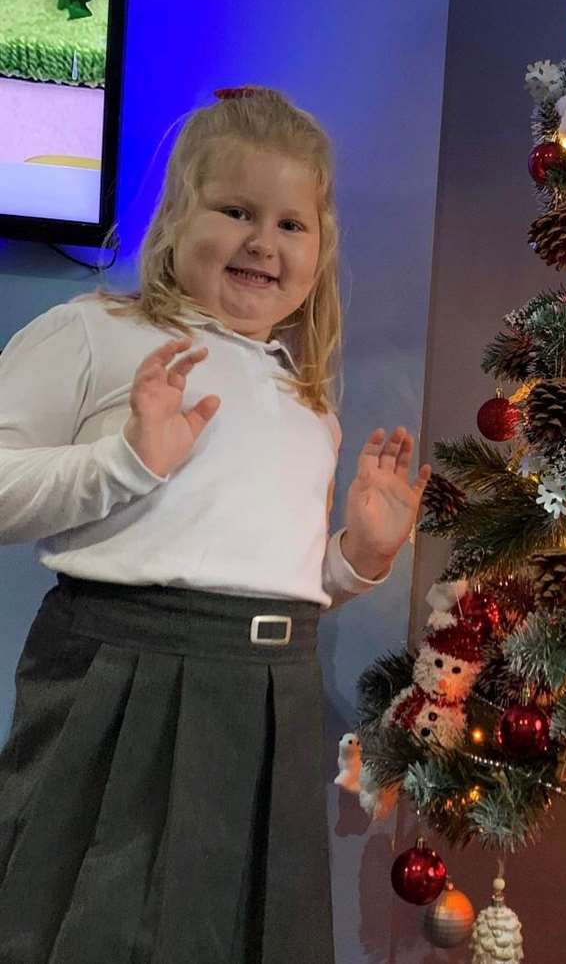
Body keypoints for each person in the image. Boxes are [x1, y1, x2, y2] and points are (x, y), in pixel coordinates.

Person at [0, 86, 430, 963]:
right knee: (89, 927)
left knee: (249, 935)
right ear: (173, 220)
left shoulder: (304, 400)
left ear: (320, 249)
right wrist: (127, 460)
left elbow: (272, 570)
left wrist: (359, 558)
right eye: (235, 210)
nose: (263, 242)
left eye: (290, 223)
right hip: (124, 667)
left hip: (273, 688)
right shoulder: (94, 333)